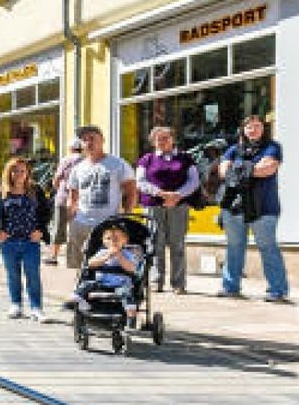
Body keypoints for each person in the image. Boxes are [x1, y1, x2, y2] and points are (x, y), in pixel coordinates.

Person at [217, 113, 289, 302]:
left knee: (268, 247)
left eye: (257, 126)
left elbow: (267, 169)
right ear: (244, 130)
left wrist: (238, 168)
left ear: (263, 129)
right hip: (235, 207)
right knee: (234, 247)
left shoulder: (273, 147)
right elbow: (223, 171)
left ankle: (277, 290)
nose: (253, 129)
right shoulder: (233, 149)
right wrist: (250, 169)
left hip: (264, 207)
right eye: (249, 126)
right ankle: (230, 287)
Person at [0, 157, 52, 322]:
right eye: (15, 171)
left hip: (30, 242)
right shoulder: (2, 192)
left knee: (33, 275)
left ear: (27, 173)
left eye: (22, 171)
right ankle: (16, 304)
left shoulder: (35, 190)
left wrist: (40, 231)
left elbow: (47, 211)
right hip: (9, 243)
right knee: (13, 274)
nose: (19, 174)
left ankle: (36, 308)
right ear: (9, 173)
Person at [137, 126, 200, 294]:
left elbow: (194, 182)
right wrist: (160, 193)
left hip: (179, 206)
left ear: (173, 139)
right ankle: (156, 281)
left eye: (166, 137)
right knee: (155, 244)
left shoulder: (186, 158)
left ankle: (178, 284)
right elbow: (140, 182)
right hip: (153, 205)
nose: (162, 141)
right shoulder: (147, 159)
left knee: (177, 245)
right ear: (153, 141)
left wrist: (177, 195)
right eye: (158, 138)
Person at [66, 125, 136, 270]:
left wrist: (126, 216)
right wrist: (71, 220)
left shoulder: (118, 164)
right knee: (78, 267)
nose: (88, 143)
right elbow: (73, 197)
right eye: (85, 140)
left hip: (108, 225)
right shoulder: (78, 168)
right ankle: (79, 291)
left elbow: (131, 192)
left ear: (102, 140)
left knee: (105, 264)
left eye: (92, 138)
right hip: (81, 224)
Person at [68, 223, 142, 324]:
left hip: (121, 283)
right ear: (103, 241)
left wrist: (119, 257)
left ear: (125, 241)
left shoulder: (128, 254)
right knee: (86, 284)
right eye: (109, 239)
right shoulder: (102, 252)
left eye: (116, 239)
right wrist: (105, 258)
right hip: (101, 282)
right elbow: (90, 263)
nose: (112, 242)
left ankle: (131, 315)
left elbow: (132, 268)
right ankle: (77, 300)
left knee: (126, 293)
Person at [47, 138, 84, 266]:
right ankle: (77, 257)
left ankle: (53, 256)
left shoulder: (66, 159)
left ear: (70, 149)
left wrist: (57, 188)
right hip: (80, 200)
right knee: (77, 228)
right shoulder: (85, 160)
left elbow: (57, 178)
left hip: (63, 198)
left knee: (58, 227)